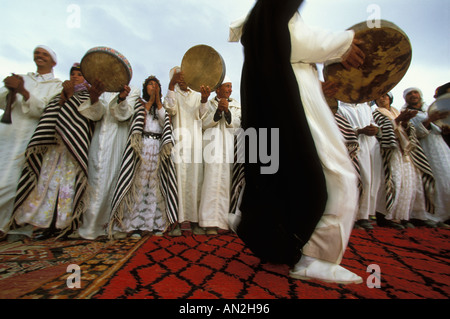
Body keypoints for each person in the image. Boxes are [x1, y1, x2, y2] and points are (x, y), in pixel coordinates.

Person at [230, 0, 364, 284]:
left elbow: (289, 52)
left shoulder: (269, 17)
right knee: (335, 174)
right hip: (296, 106)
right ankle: (316, 258)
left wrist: (318, 81)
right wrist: (344, 42)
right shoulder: (269, 16)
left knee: (300, 177)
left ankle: (286, 245)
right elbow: (291, 41)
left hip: (298, 99)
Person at [6, 63, 105, 241]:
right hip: (53, 147)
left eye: (80, 74)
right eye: (73, 73)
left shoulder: (88, 95)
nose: (75, 77)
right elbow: (48, 114)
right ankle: (44, 225)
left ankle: (64, 226)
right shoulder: (57, 94)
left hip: (73, 150)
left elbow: (95, 115)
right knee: (46, 184)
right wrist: (65, 97)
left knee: (67, 187)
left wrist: (91, 98)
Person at [0, 46, 62, 237]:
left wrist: (24, 93)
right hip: (8, 132)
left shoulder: (56, 85)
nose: (39, 56)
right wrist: (9, 89)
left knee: (19, 181)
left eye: (45, 54)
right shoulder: (22, 77)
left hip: (33, 136)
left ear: (53, 62)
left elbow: (46, 110)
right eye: (37, 53)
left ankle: (11, 226)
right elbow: (2, 102)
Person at [109, 76, 173, 238]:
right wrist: (150, 102)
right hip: (142, 147)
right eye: (150, 84)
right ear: (145, 88)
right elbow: (135, 120)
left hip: (157, 147)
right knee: (138, 185)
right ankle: (133, 226)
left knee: (156, 186)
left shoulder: (163, 107)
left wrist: (158, 103)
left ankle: (156, 225)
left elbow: (164, 122)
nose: (154, 87)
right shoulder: (138, 103)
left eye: (156, 85)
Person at [77, 82, 140, 240]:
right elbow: (95, 115)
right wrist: (94, 97)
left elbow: (123, 115)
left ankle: (110, 225)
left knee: (114, 179)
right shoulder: (101, 89)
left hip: (117, 138)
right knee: (94, 179)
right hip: (98, 138)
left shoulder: (133, 90)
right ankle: (89, 226)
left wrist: (121, 99)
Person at [373, 92, 435, 229]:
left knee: (410, 182)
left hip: (404, 149)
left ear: (390, 98)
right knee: (393, 180)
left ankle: (403, 216)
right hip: (389, 150)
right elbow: (380, 130)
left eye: (385, 96)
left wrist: (405, 122)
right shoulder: (376, 113)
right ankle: (385, 217)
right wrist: (397, 121)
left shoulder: (397, 111)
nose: (382, 98)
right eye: (379, 96)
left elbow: (410, 130)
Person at [163, 67, 210, 236]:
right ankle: (179, 220)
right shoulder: (172, 94)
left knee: (195, 181)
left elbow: (203, 116)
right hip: (178, 143)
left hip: (195, 144)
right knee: (178, 181)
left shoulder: (197, 95)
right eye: (178, 77)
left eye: (184, 76)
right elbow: (169, 108)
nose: (182, 79)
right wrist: (170, 85)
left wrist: (204, 100)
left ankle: (195, 221)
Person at [199, 76, 241, 235]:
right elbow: (203, 122)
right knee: (210, 181)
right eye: (227, 86)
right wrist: (218, 110)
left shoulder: (236, 105)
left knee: (226, 181)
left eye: (231, 86)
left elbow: (237, 124)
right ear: (218, 89)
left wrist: (228, 111)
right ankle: (209, 223)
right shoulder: (209, 103)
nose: (230, 89)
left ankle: (224, 223)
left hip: (229, 147)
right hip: (212, 147)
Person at [403, 87, 450, 227]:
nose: (413, 95)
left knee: (447, 180)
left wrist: (444, 129)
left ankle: (447, 215)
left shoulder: (429, 110)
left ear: (420, 95)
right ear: (406, 99)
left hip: (441, 147)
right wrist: (429, 120)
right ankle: (435, 216)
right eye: (409, 94)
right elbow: (414, 133)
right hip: (424, 150)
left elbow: (440, 128)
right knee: (433, 182)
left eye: (415, 92)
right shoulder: (406, 114)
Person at [337, 101, 383, 230]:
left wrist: (375, 129)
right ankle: (356, 216)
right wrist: (359, 131)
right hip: (354, 146)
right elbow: (339, 128)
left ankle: (366, 215)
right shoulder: (341, 108)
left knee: (374, 181)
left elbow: (374, 122)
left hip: (372, 145)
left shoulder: (366, 107)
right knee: (363, 180)